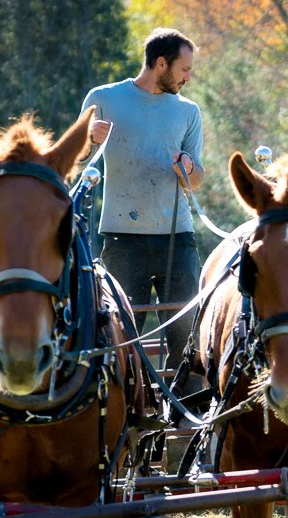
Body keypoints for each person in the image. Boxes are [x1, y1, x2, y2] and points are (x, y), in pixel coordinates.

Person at [82, 28, 203, 373]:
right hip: (123, 240)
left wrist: (190, 168)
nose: (188, 77)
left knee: (186, 334)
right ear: (161, 63)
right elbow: (73, 160)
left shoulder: (188, 112)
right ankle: (133, 416)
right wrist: (89, 137)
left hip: (177, 240)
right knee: (120, 337)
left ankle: (188, 416)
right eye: (184, 69)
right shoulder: (103, 98)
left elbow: (196, 181)